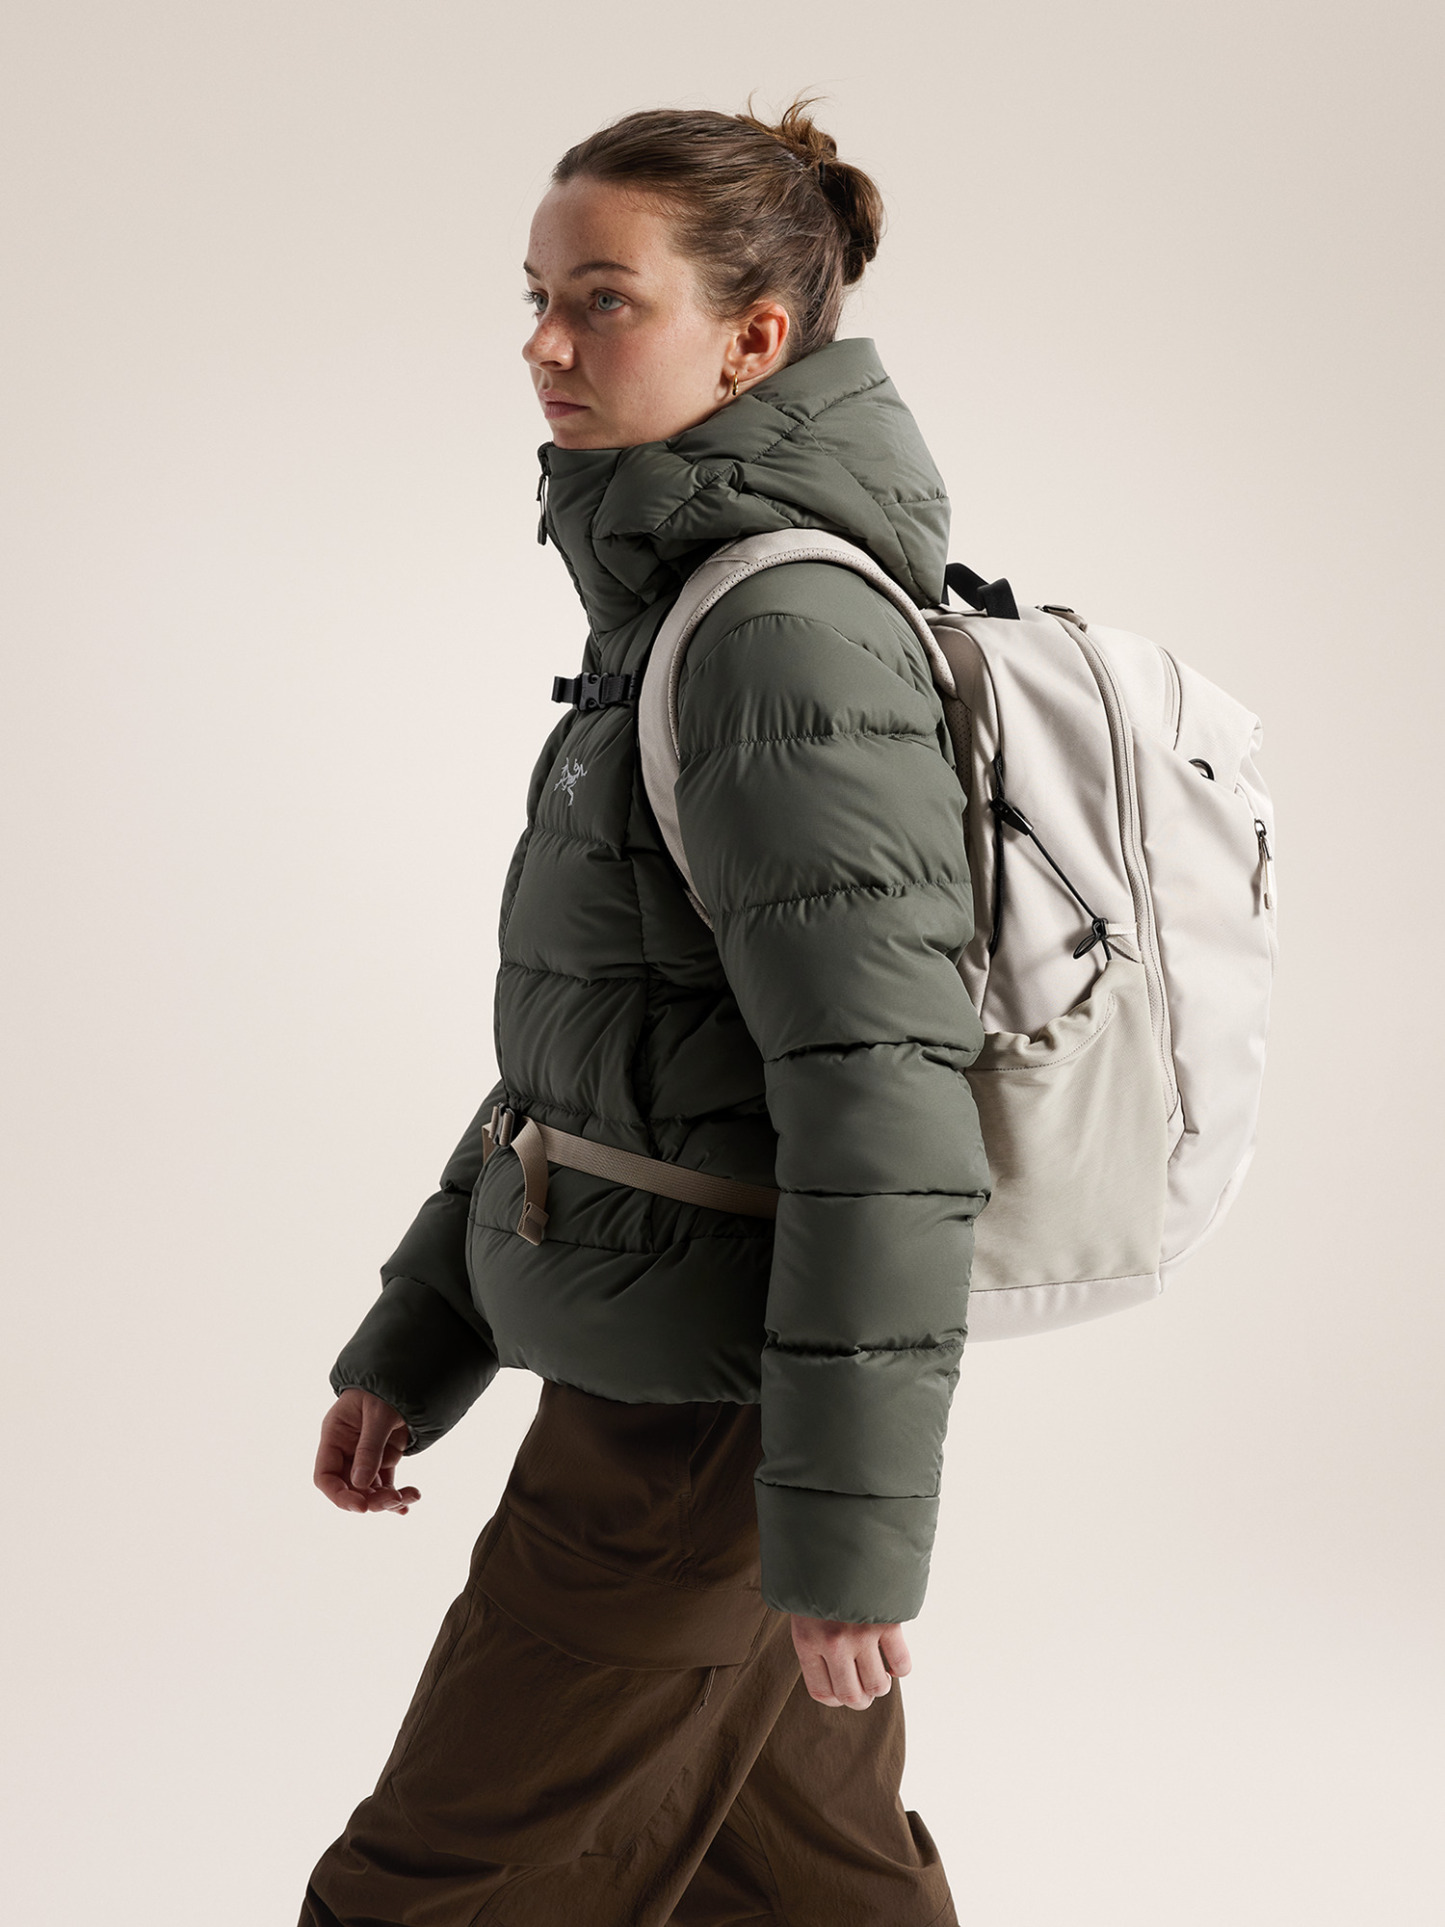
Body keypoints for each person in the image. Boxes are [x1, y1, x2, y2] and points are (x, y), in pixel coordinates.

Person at [299, 96, 989, 1927]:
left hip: (699, 1413)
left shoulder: (775, 637)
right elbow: (605, 1053)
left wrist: (844, 1534)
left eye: (601, 299)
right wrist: (420, 1331)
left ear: (752, 339)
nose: (543, 342)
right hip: (682, 1367)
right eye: (534, 296)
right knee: (808, 1885)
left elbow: (885, 1104)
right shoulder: (677, 616)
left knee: (427, 1887)